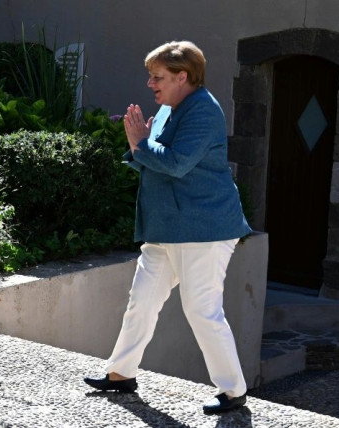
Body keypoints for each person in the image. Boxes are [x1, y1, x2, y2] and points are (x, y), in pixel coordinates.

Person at [83, 41, 252, 414]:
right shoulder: (166, 109)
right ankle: (121, 373)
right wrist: (139, 147)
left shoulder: (203, 111)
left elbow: (175, 164)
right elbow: (151, 156)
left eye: (157, 77)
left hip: (203, 230)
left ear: (183, 77)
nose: (150, 84)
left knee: (202, 309)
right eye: (150, 76)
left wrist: (140, 144)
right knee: (141, 301)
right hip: (166, 228)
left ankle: (233, 390)